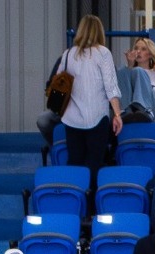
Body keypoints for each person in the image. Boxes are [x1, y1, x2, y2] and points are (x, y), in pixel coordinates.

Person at [35, 15, 120, 173]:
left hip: (72, 119)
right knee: (95, 164)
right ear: (99, 32)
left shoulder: (68, 54)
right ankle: (91, 197)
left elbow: (56, 81)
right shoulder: (103, 53)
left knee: (75, 163)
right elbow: (111, 86)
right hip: (97, 117)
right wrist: (117, 113)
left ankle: (75, 195)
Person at [115, 36, 155, 124]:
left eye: (143, 49)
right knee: (121, 71)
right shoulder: (128, 71)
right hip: (131, 114)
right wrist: (129, 66)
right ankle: (126, 112)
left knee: (138, 70)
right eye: (136, 48)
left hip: (152, 112)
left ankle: (144, 110)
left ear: (150, 54)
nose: (138, 51)